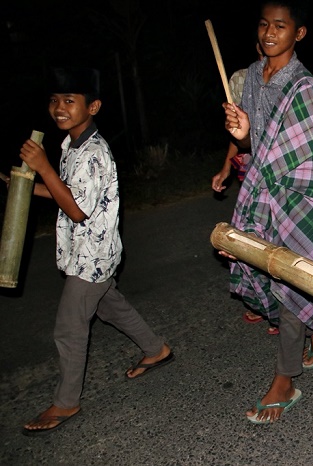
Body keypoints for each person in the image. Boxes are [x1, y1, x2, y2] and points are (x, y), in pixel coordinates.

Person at [17, 67, 173, 436]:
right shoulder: (71, 145)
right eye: (55, 100)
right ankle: (157, 350)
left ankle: (66, 402)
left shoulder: (92, 152)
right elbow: (66, 196)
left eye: (70, 101)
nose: (59, 107)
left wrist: (41, 168)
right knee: (109, 307)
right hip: (86, 250)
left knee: (69, 326)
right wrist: (22, 184)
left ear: (94, 106)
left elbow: (75, 208)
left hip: (93, 254)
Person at [220, 0, 313, 424]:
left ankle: (284, 379)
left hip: (298, 198)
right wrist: (242, 135)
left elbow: (309, 152)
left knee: (291, 279)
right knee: (285, 278)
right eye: (263, 24)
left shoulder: (305, 86)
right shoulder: (254, 76)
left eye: (280, 25)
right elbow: (258, 144)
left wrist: (255, 147)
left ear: (299, 33)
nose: (269, 32)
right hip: (264, 190)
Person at [211, 43, 280, 335]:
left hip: (279, 169)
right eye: (264, 29)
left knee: (276, 237)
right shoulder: (243, 79)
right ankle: (261, 301)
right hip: (251, 167)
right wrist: (227, 167)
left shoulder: (291, 79)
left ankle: (285, 308)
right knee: (251, 237)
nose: (270, 37)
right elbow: (237, 131)